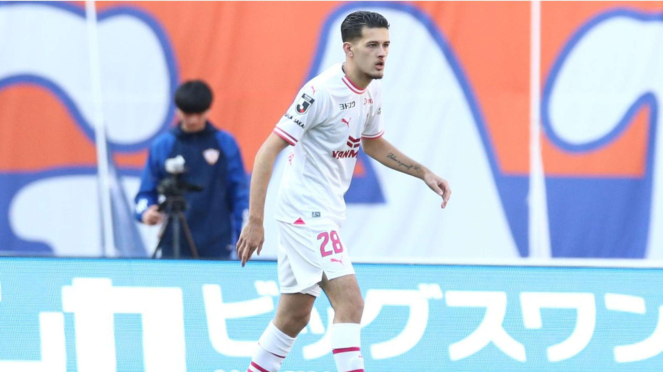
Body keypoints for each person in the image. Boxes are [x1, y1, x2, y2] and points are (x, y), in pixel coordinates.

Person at [237, 11, 451, 372]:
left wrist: (423, 172)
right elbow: (266, 153)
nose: (382, 53)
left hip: (323, 211)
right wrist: (255, 221)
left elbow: (374, 144)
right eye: (372, 45)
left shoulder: (372, 89)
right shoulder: (320, 92)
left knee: (294, 316)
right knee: (350, 302)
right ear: (349, 50)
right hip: (306, 212)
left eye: (386, 45)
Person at [134, 80, 249, 259]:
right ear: (177, 110)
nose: (193, 119)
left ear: (209, 110)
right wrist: (146, 212)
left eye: (199, 113)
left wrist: (242, 237)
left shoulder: (225, 143)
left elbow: (240, 194)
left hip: (217, 242)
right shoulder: (163, 145)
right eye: (187, 114)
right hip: (174, 241)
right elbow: (145, 193)